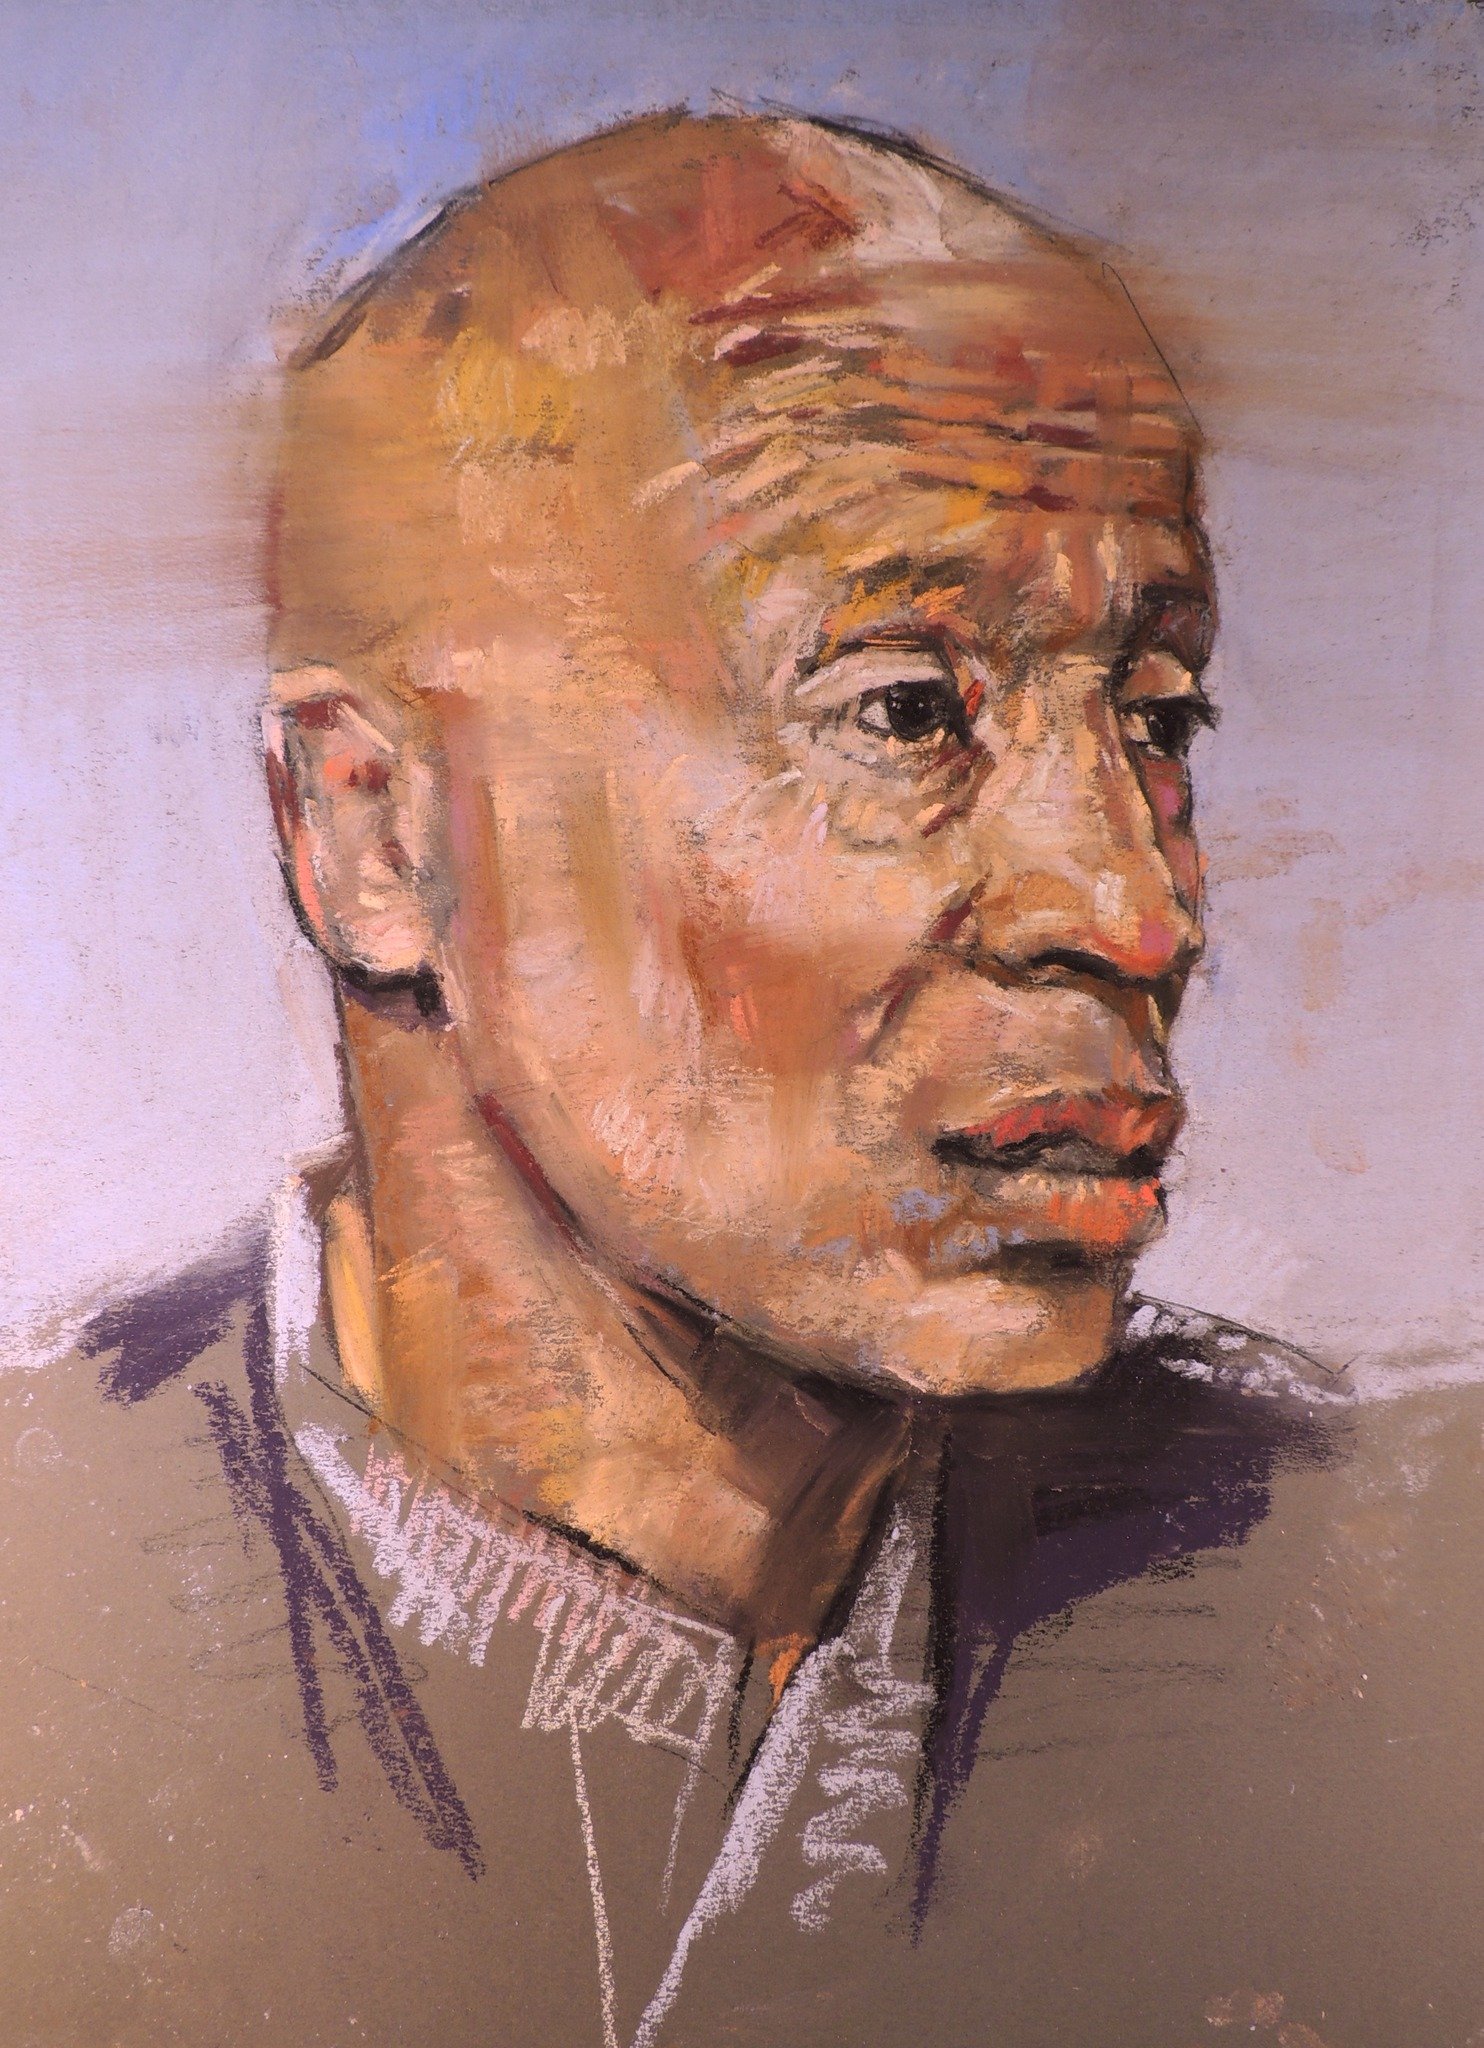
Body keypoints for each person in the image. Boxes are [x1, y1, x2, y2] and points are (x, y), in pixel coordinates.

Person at [6, 112, 1479, 2048]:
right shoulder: (53, 1592)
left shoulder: (1381, 1601)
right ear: (375, 832)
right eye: (904, 711)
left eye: (1155, 716)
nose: (1134, 906)